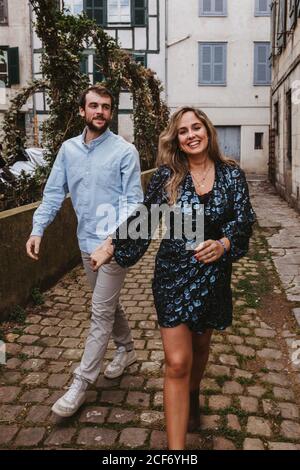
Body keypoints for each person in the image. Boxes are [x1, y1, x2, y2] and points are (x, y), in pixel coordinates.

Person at [91, 107, 256, 450]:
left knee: (200, 347)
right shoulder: (168, 176)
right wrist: (110, 246)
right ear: (176, 140)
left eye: (197, 127)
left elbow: (243, 222)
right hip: (172, 275)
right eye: (183, 131)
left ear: (208, 132)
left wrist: (224, 244)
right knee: (178, 362)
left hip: (213, 276)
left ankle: (193, 394)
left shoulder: (231, 175)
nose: (191, 134)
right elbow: (144, 219)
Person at [26, 86, 143, 417]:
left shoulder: (124, 151)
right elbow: (52, 193)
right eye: (94, 106)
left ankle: (80, 382)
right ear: (82, 111)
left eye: (106, 107)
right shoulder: (68, 150)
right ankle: (127, 349)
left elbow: (134, 203)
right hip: (84, 242)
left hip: (113, 247)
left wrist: (112, 243)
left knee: (100, 312)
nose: (101, 112)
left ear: (111, 112)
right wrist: (38, 229)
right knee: (108, 303)